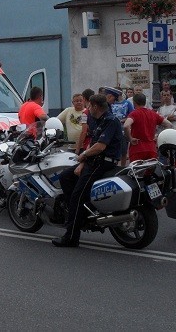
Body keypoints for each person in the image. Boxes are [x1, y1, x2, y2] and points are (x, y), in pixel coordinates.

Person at [52, 94, 123, 248]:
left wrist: (82, 155)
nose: (88, 109)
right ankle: (81, 213)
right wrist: (83, 162)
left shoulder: (110, 120)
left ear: (96, 107)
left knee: (77, 197)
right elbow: (92, 144)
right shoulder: (99, 121)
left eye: (89, 106)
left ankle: (71, 237)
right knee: (65, 177)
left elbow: (100, 147)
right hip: (93, 161)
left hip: (102, 163)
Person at [124, 93, 173, 161]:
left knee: (137, 171)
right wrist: (159, 136)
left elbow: (126, 126)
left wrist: (130, 138)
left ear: (134, 103)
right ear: (145, 102)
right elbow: (169, 124)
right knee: (150, 171)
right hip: (151, 148)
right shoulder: (153, 113)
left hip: (137, 149)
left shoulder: (134, 114)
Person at [106, 86, 133, 166]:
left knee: (124, 150)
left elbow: (131, 115)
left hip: (122, 129)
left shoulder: (127, 103)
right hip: (112, 130)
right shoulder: (109, 104)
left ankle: (122, 166)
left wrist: (124, 120)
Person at [74, 88, 95, 155]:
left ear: (84, 99)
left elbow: (84, 132)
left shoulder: (85, 114)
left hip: (89, 142)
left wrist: (78, 148)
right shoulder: (98, 109)